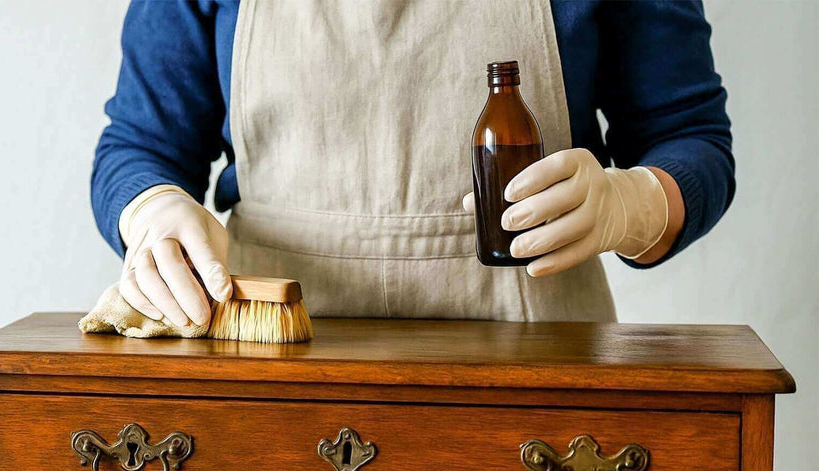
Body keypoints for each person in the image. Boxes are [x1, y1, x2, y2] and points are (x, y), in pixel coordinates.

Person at [91, 0, 732, 327]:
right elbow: (142, 146)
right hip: (271, 368)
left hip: (538, 387)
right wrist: (153, 209)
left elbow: (690, 136)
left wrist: (632, 206)